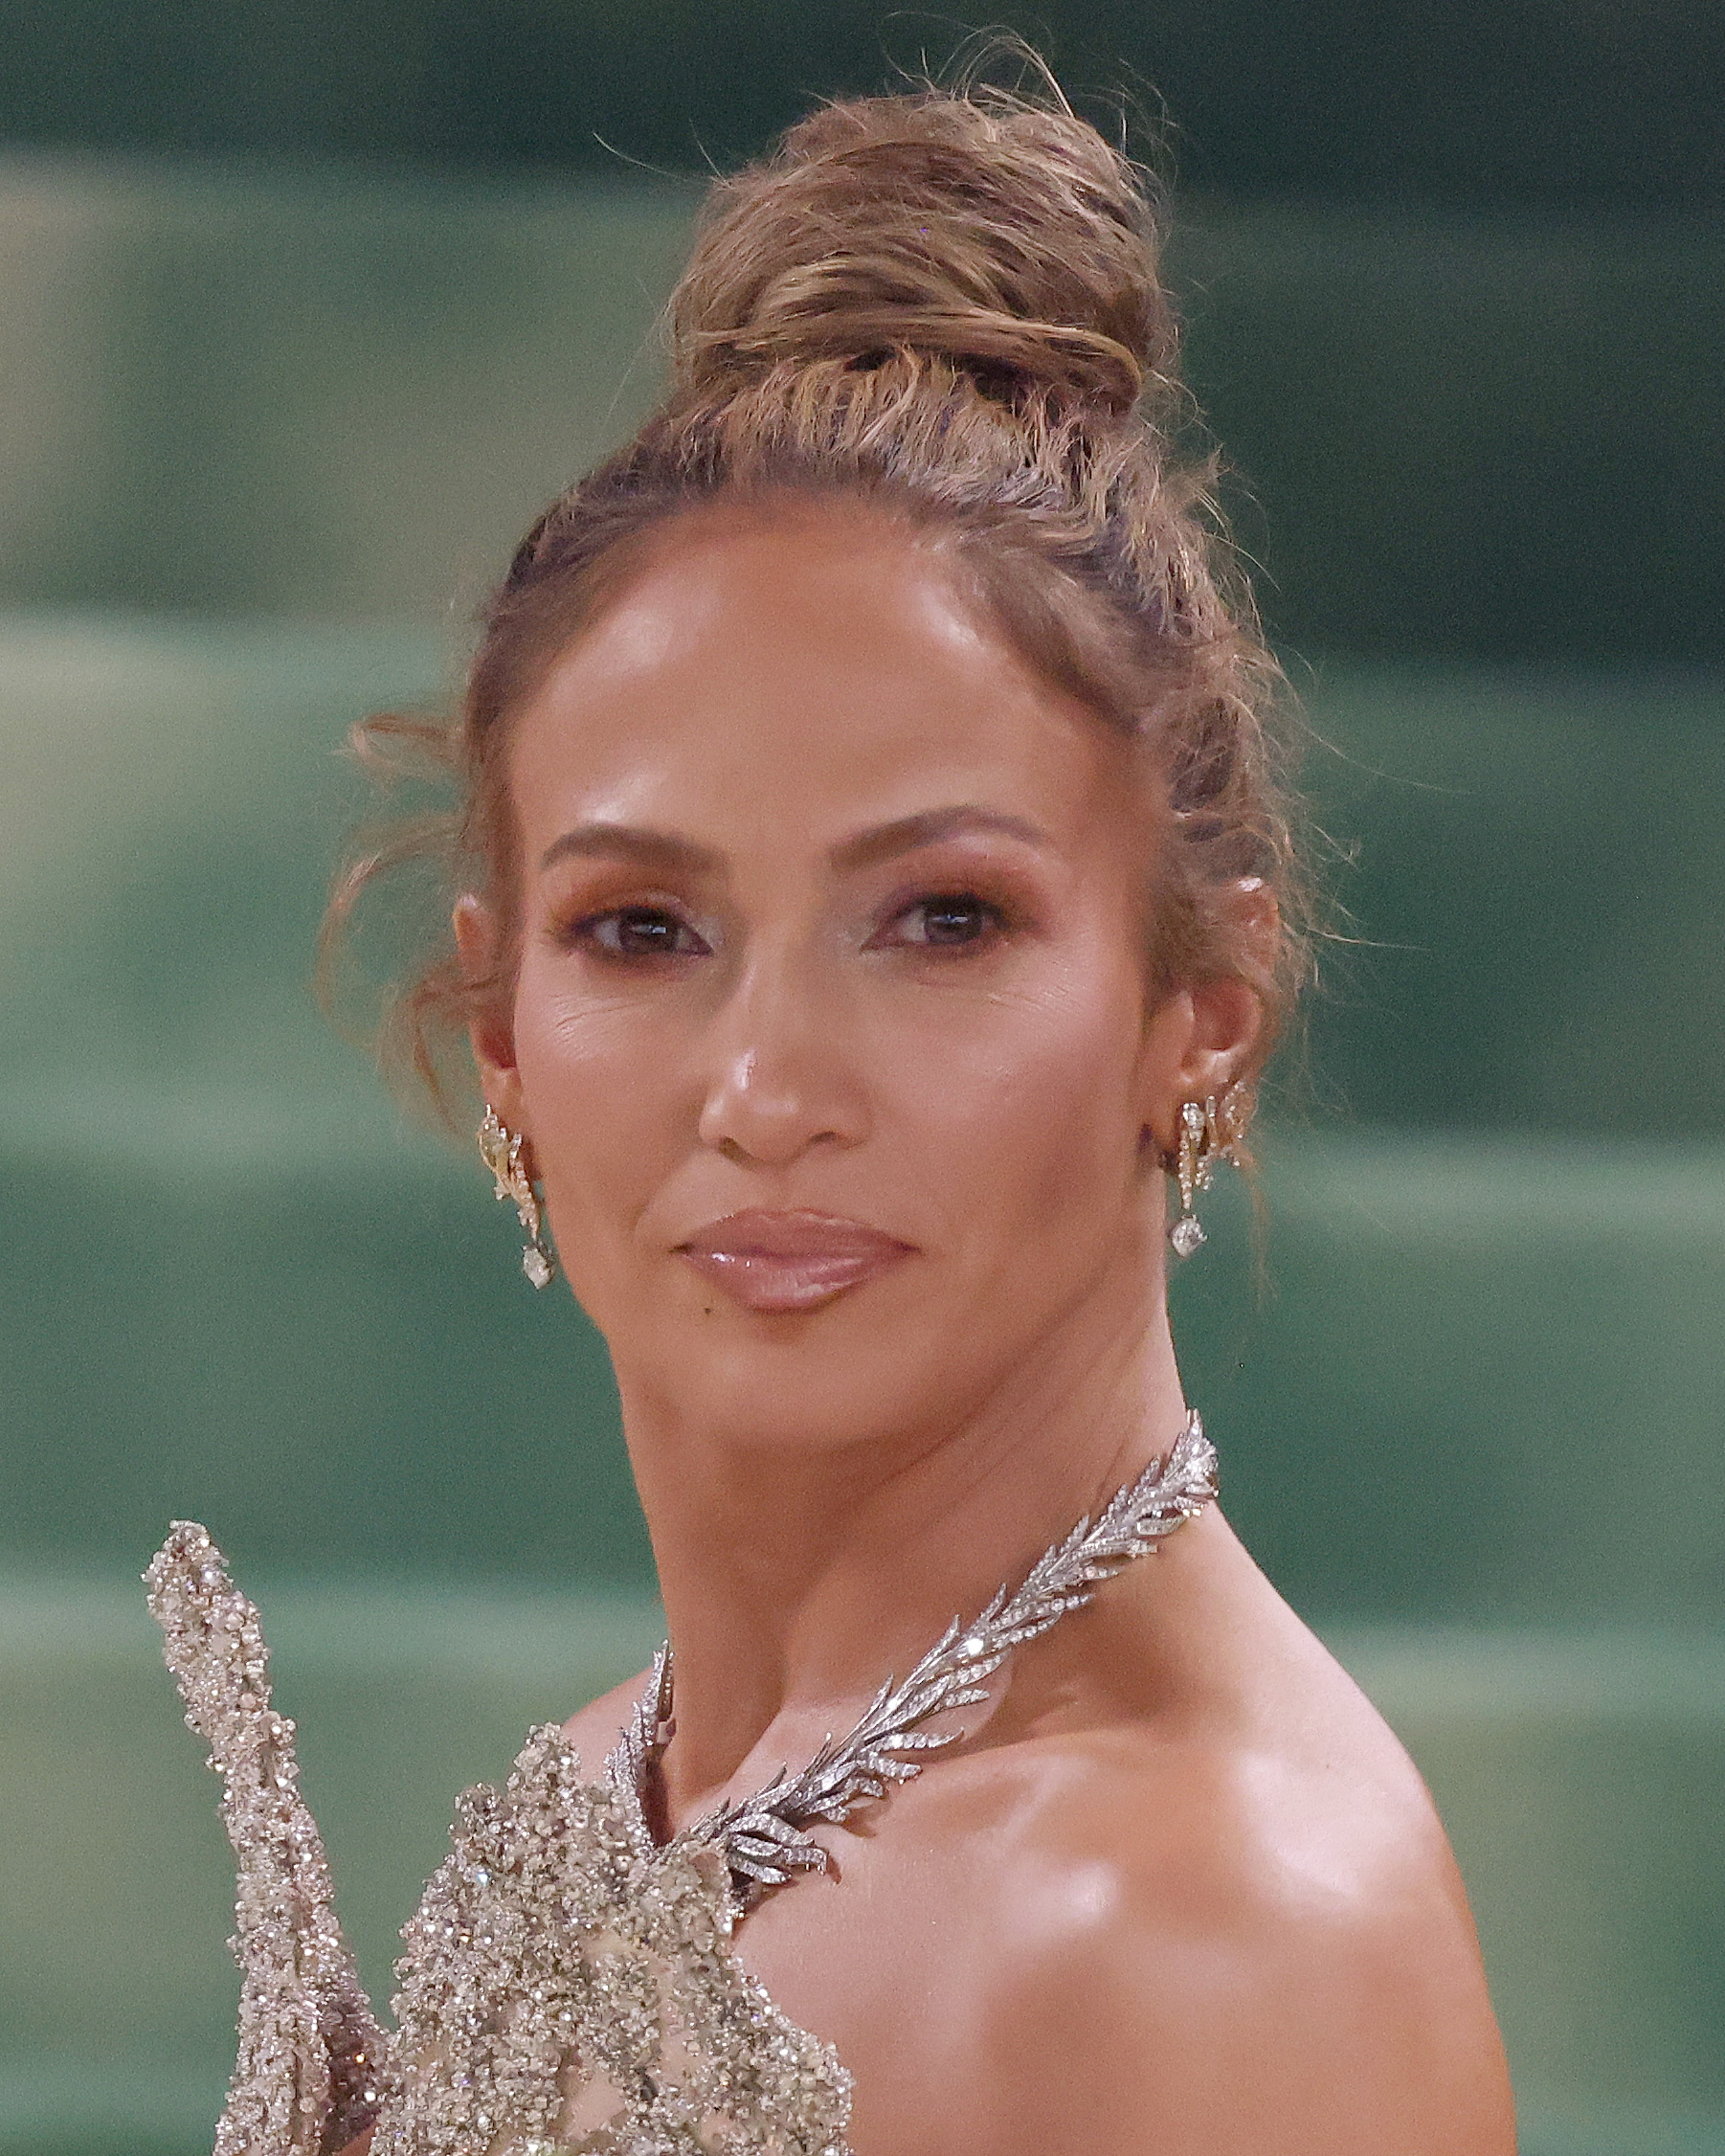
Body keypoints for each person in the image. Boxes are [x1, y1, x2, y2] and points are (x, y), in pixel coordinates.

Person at [148, 71, 1517, 2156]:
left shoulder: (1208, 1933)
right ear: (502, 1033)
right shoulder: (598, 1819)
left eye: (942, 918)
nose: (770, 1091)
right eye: (640, 928)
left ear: (1198, 1015)